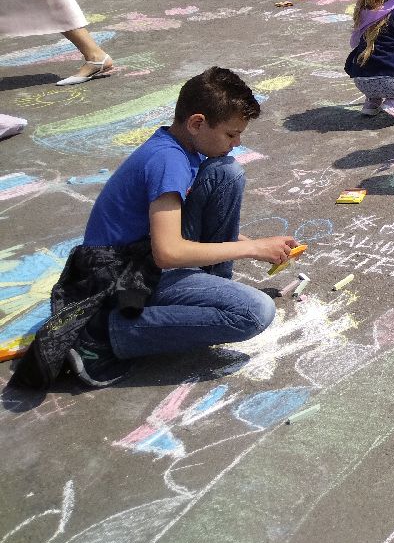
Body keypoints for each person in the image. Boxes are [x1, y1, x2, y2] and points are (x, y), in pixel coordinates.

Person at [13, 67, 295, 389]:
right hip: (118, 277)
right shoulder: (168, 162)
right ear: (197, 123)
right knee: (254, 312)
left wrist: (256, 245)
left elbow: (176, 227)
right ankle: (101, 335)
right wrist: (254, 248)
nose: (237, 142)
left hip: (137, 255)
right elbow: (168, 252)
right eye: (231, 134)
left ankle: (206, 290)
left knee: (225, 173)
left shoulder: (181, 147)